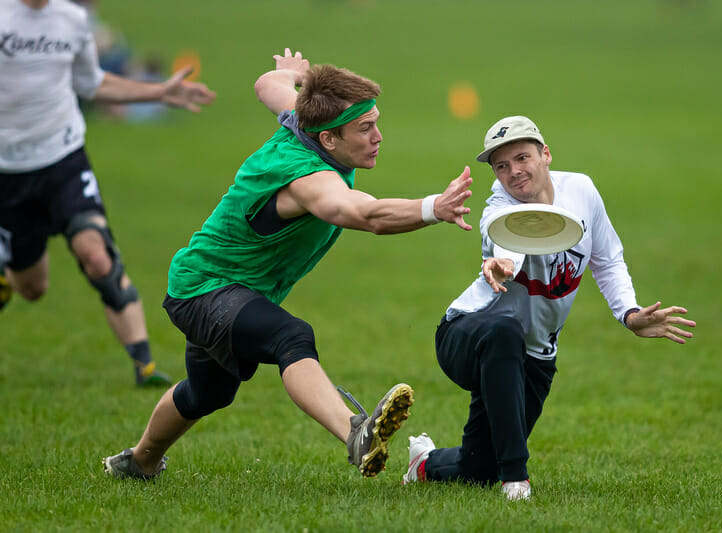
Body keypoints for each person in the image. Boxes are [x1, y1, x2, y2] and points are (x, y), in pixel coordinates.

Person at [102, 48, 473, 480]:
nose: (378, 137)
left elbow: (268, 86)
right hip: (205, 288)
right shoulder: (308, 179)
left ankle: (140, 461)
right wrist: (434, 207)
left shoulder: (304, 121)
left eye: (376, 123)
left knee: (208, 393)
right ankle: (356, 434)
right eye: (365, 128)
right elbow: (364, 215)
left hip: (218, 285)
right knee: (291, 336)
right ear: (329, 140)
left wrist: (292, 75)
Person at [401, 115, 696, 501]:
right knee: (504, 329)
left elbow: (607, 259)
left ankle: (423, 462)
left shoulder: (583, 191)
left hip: (534, 355)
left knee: (477, 469)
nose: (513, 172)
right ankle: (516, 481)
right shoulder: (497, 208)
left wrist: (629, 313)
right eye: (501, 166)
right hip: (468, 334)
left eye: (522, 158)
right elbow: (505, 239)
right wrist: (501, 263)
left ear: (546, 155)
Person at [0, 0, 217, 387]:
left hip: (62, 159)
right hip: (9, 172)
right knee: (32, 287)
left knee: (97, 255)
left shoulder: (72, 20)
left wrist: (157, 92)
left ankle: (144, 365)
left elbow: (90, 82)